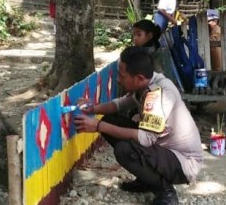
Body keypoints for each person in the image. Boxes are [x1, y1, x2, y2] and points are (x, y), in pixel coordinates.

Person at [74, 46, 203, 205]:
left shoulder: (158, 94)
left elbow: (146, 138)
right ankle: (146, 179)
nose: (118, 80)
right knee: (110, 121)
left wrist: (98, 126)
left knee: (124, 150)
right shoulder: (148, 82)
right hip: (163, 150)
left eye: (122, 75)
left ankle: (166, 193)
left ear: (139, 78)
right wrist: (93, 108)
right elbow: (120, 104)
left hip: (183, 163)